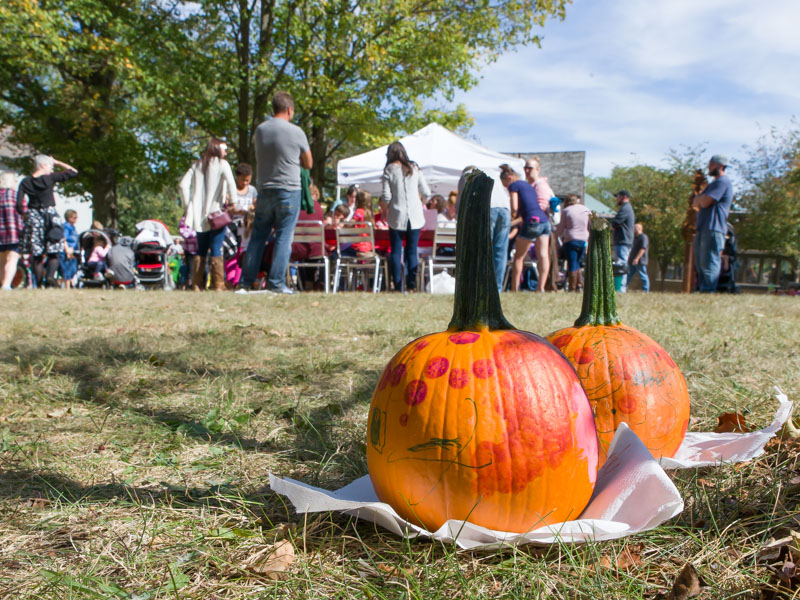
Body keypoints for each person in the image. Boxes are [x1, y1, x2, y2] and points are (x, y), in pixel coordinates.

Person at [239, 92, 312, 294]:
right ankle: (277, 283)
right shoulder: (296, 132)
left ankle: (245, 282)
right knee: (283, 236)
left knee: (258, 236)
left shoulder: (260, 130)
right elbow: (309, 162)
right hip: (289, 189)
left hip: (265, 188)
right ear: (289, 110)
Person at [179, 138, 238, 291]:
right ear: (217, 149)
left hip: (199, 216)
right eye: (224, 149)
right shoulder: (222, 164)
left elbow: (183, 185)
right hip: (216, 213)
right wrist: (234, 203)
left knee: (201, 249)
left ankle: (197, 284)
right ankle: (218, 284)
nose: (225, 152)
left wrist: (188, 206)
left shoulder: (197, 164)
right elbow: (231, 183)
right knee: (216, 248)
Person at [16, 155, 78, 287]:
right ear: (43, 166)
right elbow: (73, 172)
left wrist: (25, 214)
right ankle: (50, 276)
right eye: (51, 166)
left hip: (34, 217)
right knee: (54, 250)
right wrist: (58, 161)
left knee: (37, 253)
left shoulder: (25, 181)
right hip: (50, 215)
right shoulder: (50, 178)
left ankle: (38, 284)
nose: (52, 169)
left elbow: (19, 204)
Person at [380, 141, 430, 292]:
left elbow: (386, 196)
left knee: (396, 251)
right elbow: (427, 192)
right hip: (415, 217)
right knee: (411, 251)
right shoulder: (414, 168)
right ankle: (412, 285)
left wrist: (384, 210)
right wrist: (420, 204)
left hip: (396, 215)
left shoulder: (389, 170)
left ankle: (397, 285)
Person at [501, 164, 550, 292]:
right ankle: (541, 287)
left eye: (505, 185)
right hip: (544, 221)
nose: (506, 188)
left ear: (509, 178)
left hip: (531, 222)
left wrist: (510, 218)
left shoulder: (514, 185)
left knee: (518, 257)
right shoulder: (528, 185)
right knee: (543, 255)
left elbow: (515, 207)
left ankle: (514, 289)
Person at [692, 154, 734, 293]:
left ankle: (708, 291)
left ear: (720, 166)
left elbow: (704, 202)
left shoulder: (723, 182)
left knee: (709, 262)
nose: (709, 168)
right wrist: (701, 199)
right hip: (703, 227)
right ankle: (703, 290)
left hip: (714, 227)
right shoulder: (712, 184)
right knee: (700, 262)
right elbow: (695, 203)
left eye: (711, 165)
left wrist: (701, 199)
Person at [524, 157, 560, 292]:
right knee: (542, 255)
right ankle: (541, 286)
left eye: (530, 168)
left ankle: (541, 286)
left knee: (541, 255)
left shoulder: (540, 185)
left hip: (538, 223)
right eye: (525, 168)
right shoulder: (534, 185)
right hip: (540, 224)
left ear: (538, 170)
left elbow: (540, 206)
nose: (527, 171)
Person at [555, 194, 590, 292]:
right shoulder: (586, 209)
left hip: (571, 240)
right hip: (583, 240)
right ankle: (579, 285)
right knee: (578, 263)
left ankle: (572, 288)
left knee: (572, 263)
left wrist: (554, 237)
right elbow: (590, 226)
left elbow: (560, 228)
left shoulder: (567, 211)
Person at [0, 171, 24, 290]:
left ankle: (3, 283)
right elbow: (25, 212)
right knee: (13, 258)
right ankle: (6, 284)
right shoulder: (16, 195)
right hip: (14, 232)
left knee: (2, 260)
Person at [610, 190, 635, 291]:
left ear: (624, 197)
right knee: (620, 264)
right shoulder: (625, 208)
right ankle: (619, 288)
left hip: (623, 241)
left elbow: (616, 222)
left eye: (618, 196)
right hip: (622, 241)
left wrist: (609, 226)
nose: (617, 199)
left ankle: (620, 288)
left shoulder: (626, 208)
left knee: (621, 265)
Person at [59, 209, 80, 289]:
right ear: (69, 218)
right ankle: (67, 288)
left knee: (73, 269)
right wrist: (67, 249)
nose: (76, 219)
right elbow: (64, 238)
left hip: (74, 250)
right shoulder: (66, 227)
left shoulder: (73, 227)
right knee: (67, 269)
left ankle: (63, 284)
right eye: (74, 217)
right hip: (67, 250)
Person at [627, 223, 650, 292]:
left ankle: (646, 290)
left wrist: (637, 258)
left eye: (635, 228)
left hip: (640, 261)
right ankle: (622, 288)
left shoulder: (643, 237)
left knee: (643, 275)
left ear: (639, 228)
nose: (633, 229)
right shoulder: (635, 238)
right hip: (632, 260)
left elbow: (643, 248)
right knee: (628, 275)